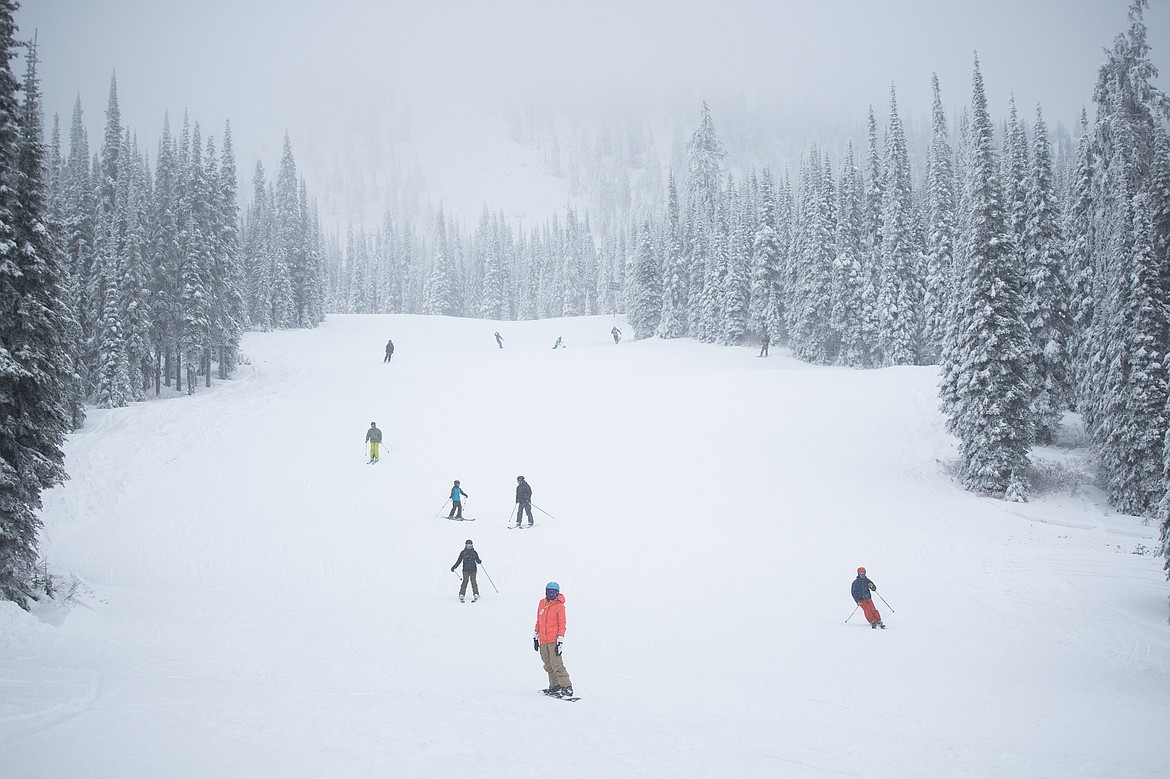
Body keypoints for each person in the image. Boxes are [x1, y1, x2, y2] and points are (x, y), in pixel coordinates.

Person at [534, 581, 573, 697]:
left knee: (556, 664)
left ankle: (566, 686)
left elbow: (562, 624)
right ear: (546, 592)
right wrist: (536, 636)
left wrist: (560, 640)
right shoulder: (542, 603)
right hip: (543, 639)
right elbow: (538, 621)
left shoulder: (559, 606)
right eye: (550, 592)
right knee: (548, 664)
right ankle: (555, 686)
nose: (552, 594)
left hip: (553, 640)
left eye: (554, 592)